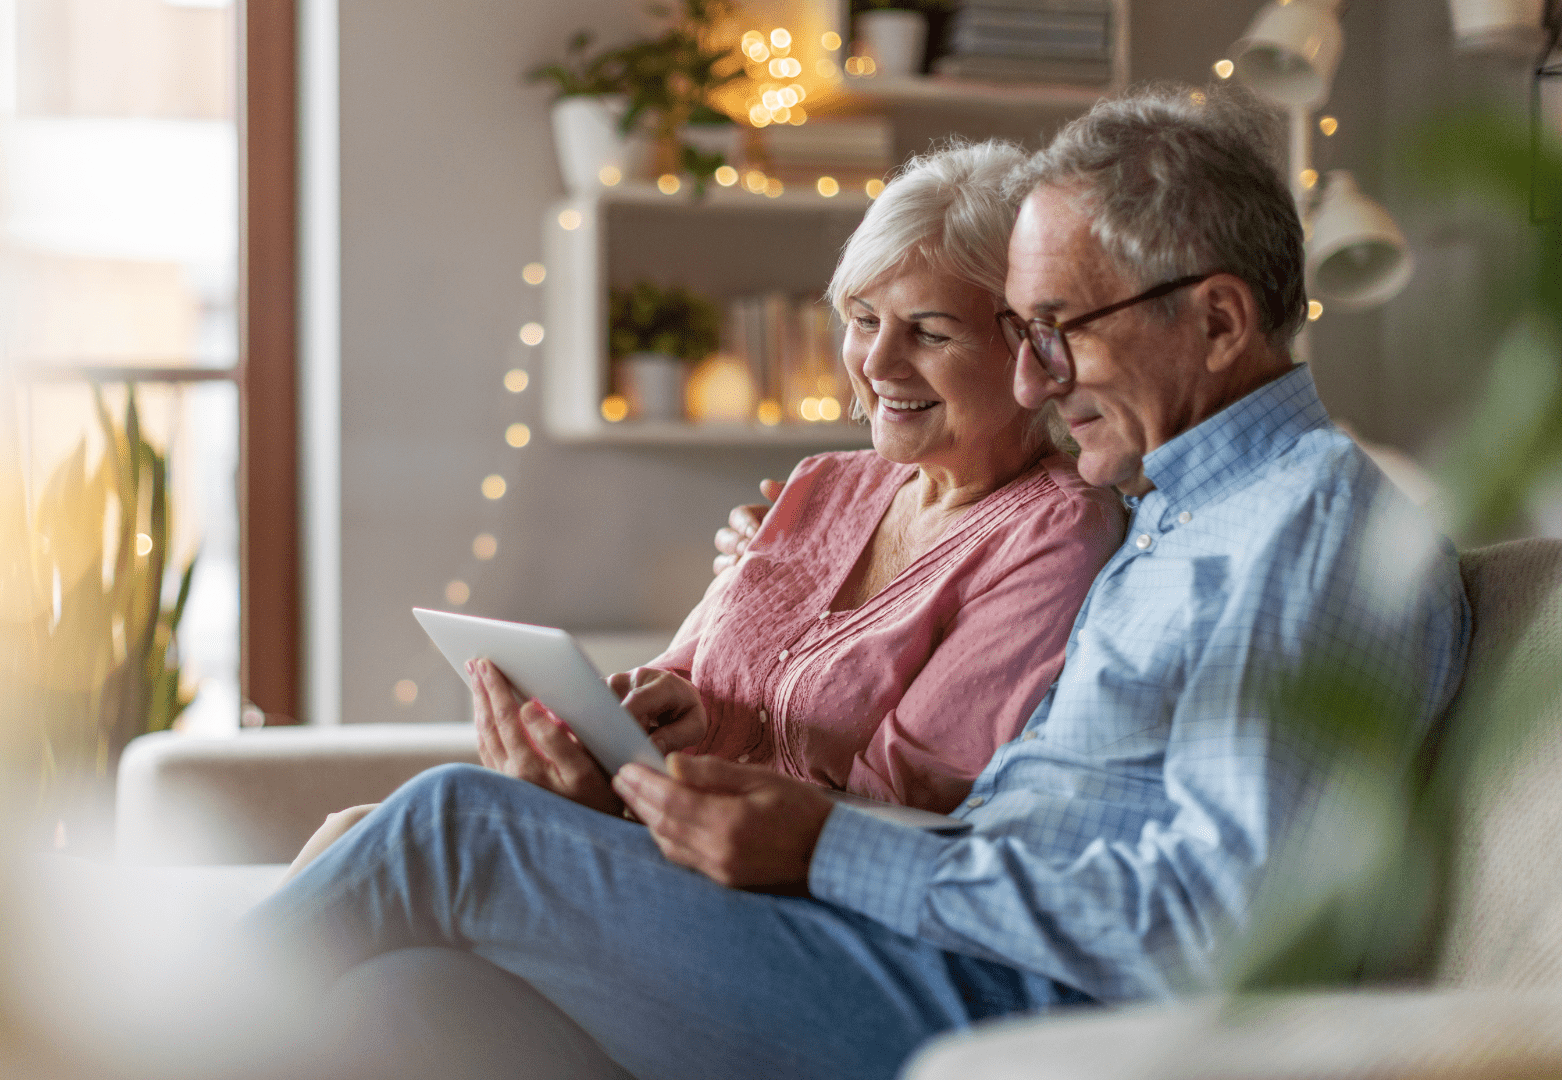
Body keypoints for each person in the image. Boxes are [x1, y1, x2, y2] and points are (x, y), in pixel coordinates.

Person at [246, 85, 1470, 1080]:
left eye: (1057, 332)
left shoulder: (1306, 534)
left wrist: (834, 852)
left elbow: (1218, 935)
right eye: (1025, 334)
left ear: (1216, 321)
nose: (1037, 384)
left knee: (456, 827)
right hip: (931, 953)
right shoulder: (1183, 516)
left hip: (1021, 1013)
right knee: (410, 1004)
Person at [281, 140, 1126, 882]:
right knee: (364, 851)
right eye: (862, 319)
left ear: (1031, 350)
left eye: (930, 333)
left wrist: (629, 798)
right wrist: (656, 716)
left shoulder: (1056, 529)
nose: (875, 362)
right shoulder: (825, 482)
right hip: (664, 840)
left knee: (414, 823)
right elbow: (689, 680)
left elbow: (904, 802)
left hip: (781, 901)